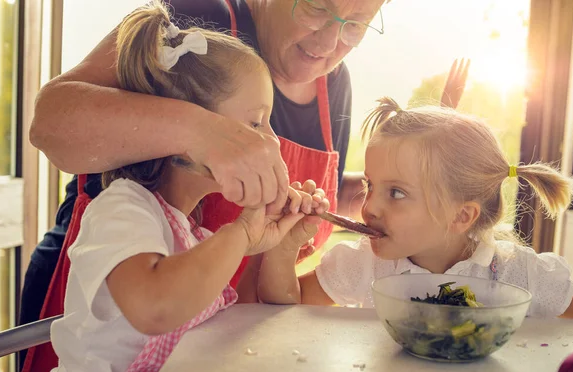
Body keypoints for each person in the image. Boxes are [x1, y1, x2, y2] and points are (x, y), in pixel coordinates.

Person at [20, 0, 388, 336]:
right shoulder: (194, 27)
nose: (328, 44)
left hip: (212, 342)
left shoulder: (337, 84)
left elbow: (326, 187)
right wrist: (200, 131)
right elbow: (49, 124)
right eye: (316, 7)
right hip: (95, 327)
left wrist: (401, 194)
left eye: (356, 25)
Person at [34, 3, 329, 372]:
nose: (271, 141)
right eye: (256, 122)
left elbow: (236, 320)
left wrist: (278, 243)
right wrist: (240, 233)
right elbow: (156, 307)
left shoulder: (193, 232)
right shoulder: (123, 208)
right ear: (185, 126)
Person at [256, 97, 573, 320]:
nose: (370, 205)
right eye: (370, 185)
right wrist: (285, 247)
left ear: (462, 216)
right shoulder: (365, 265)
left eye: (397, 193)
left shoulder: (517, 275)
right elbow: (286, 305)